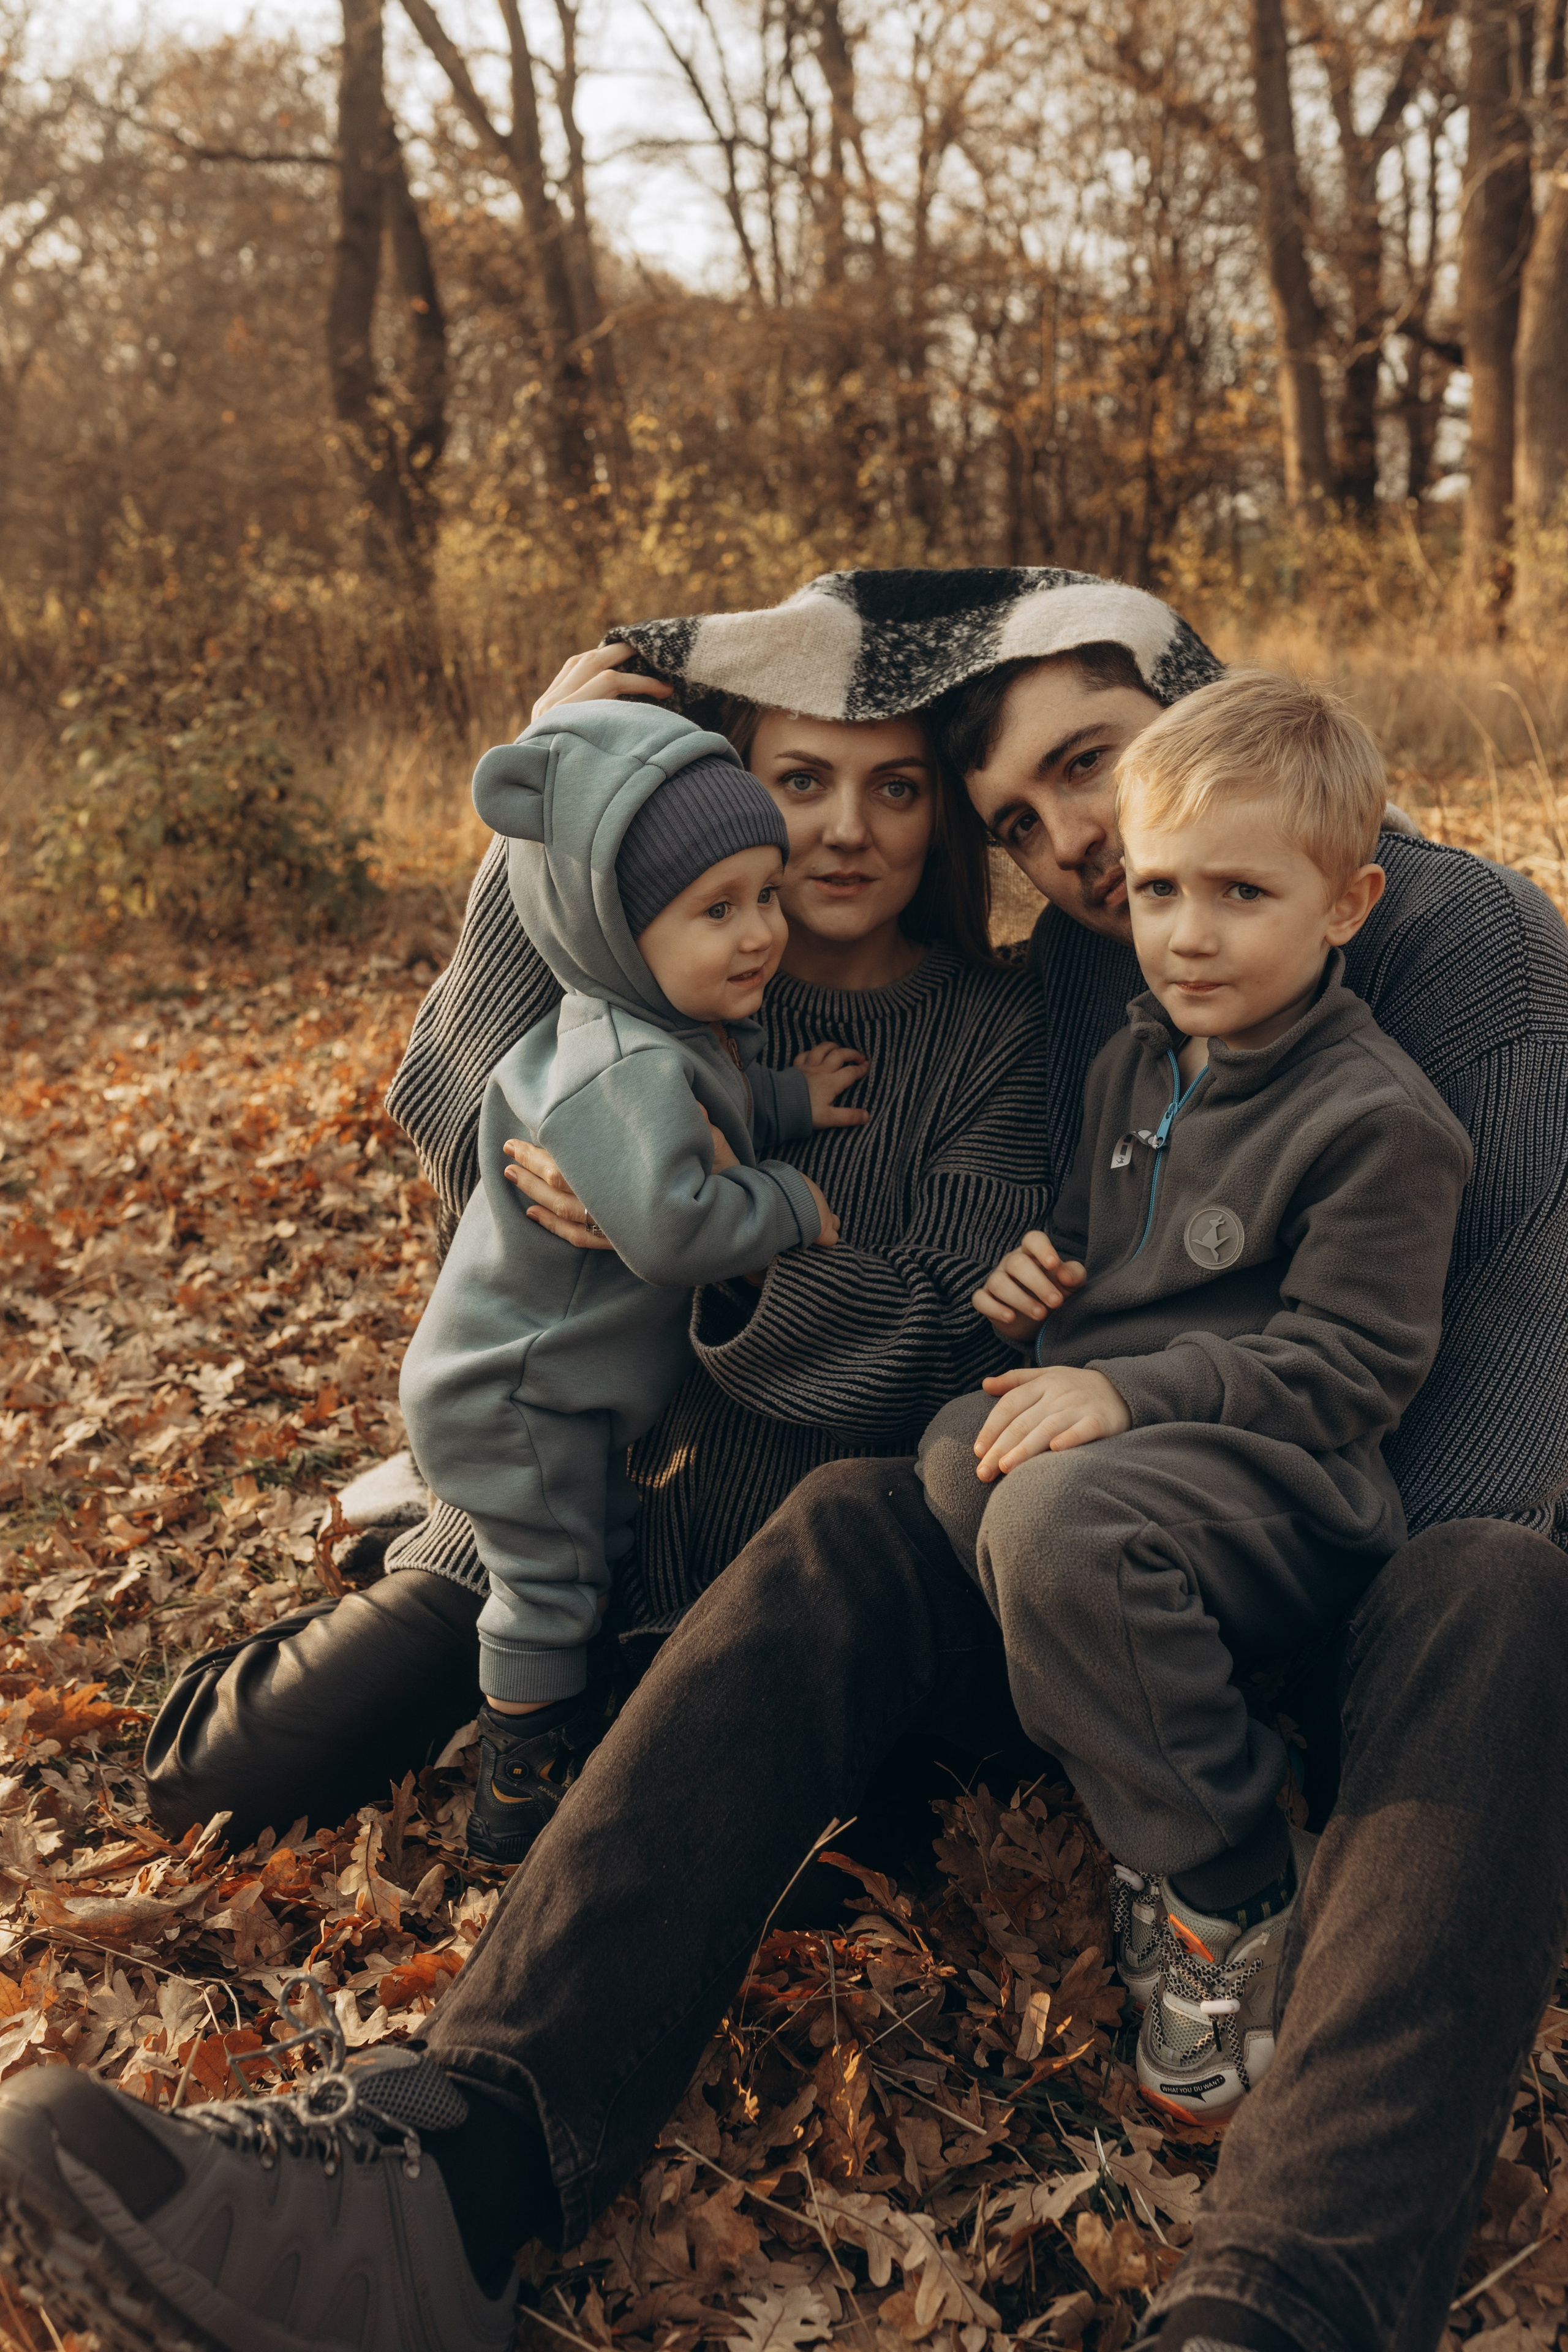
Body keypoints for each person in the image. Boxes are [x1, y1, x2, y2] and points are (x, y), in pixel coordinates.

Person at [37, 571, 1565, 2352]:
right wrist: (578, 759)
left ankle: (1285, 2304)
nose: (1078, 842)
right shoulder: (1097, 958)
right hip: (1101, 1552)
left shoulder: (1464, 948)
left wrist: (1274, 1744)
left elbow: (1505, 1404)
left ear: (1199, 701)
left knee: (1499, 1590)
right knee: (863, 1517)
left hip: (1330, 1545)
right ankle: (458, 2167)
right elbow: (537, 1064)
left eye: (1094, 762)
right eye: (1024, 818)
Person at [141, 646, 1057, 1847]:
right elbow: (459, 1138)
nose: (844, 831)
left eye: (893, 786)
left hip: (766, 1552)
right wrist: (548, 806)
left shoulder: (992, 1030)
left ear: (939, 812)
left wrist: (726, 1255)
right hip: (550, 1496)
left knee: (772, 1875)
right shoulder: (647, 974)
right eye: (800, 781)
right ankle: (407, 1560)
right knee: (218, 1783)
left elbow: (941, 1328)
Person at [918, 668, 1471, 2121]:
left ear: (1342, 905)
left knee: (1045, 1528)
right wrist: (1045, 1288)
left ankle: (1225, 1876)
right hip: (1147, 1452)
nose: (1185, 933)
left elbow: (1347, 1368)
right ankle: (1150, 1752)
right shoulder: (1132, 1065)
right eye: (1159, 892)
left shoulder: (1376, 1120)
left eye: (1239, 893)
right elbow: (1122, 1267)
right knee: (947, 1455)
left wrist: (1122, 1396)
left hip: (1289, 1491)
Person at [401, 704, 859, 1863]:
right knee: (549, 1582)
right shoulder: (618, 1066)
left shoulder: (662, 1027)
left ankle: (561, 1713)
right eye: (716, 910)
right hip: (517, 1391)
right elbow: (669, 1225)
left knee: (588, 1544)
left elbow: (715, 1111)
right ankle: (523, 1789)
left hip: (548, 1385)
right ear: (614, 926)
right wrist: (791, 1207)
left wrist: (789, 1102)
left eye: (766, 894)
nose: (760, 932)